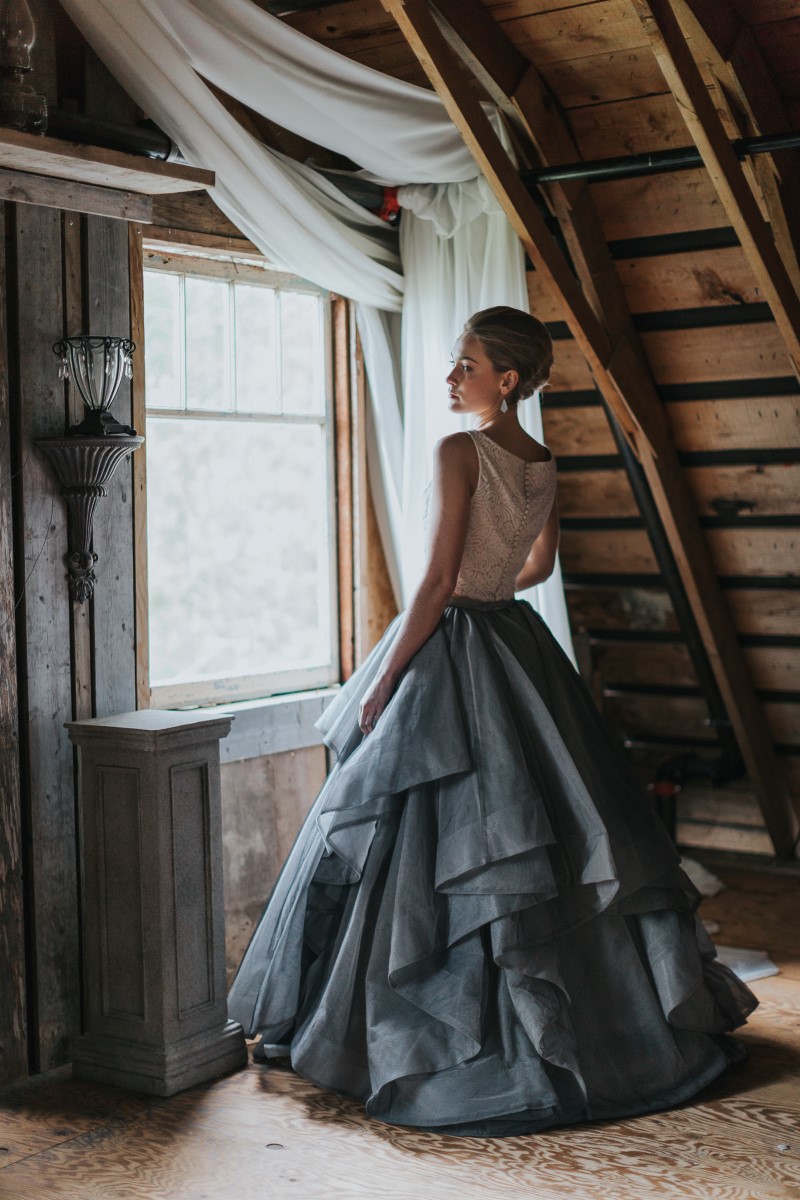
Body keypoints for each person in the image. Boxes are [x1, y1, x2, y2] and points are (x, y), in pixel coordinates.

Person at [228, 306, 758, 1137]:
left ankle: (402, 1040)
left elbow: (438, 583)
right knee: (535, 836)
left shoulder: (460, 451)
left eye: (465, 364)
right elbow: (540, 563)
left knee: (434, 834)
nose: (451, 377)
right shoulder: (540, 460)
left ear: (506, 381)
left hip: (454, 642)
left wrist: (385, 677)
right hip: (514, 639)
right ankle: (603, 1033)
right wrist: (498, 577)